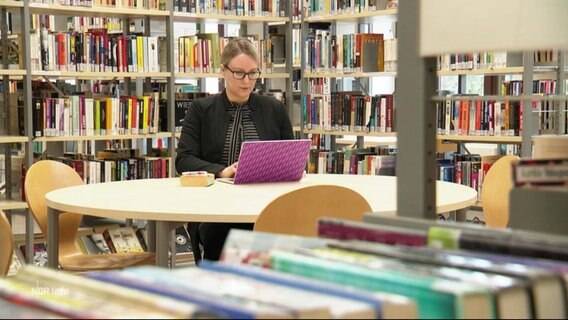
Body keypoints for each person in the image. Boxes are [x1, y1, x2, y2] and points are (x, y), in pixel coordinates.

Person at [175, 37, 294, 263]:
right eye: (239, 73)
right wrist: (222, 171)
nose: (247, 81)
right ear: (224, 71)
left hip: (265, 205)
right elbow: (184, 160)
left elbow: (290, 153)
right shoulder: (201, 110)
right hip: (216, 208)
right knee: (223, 239)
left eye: (253, 73)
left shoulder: (274, 108)